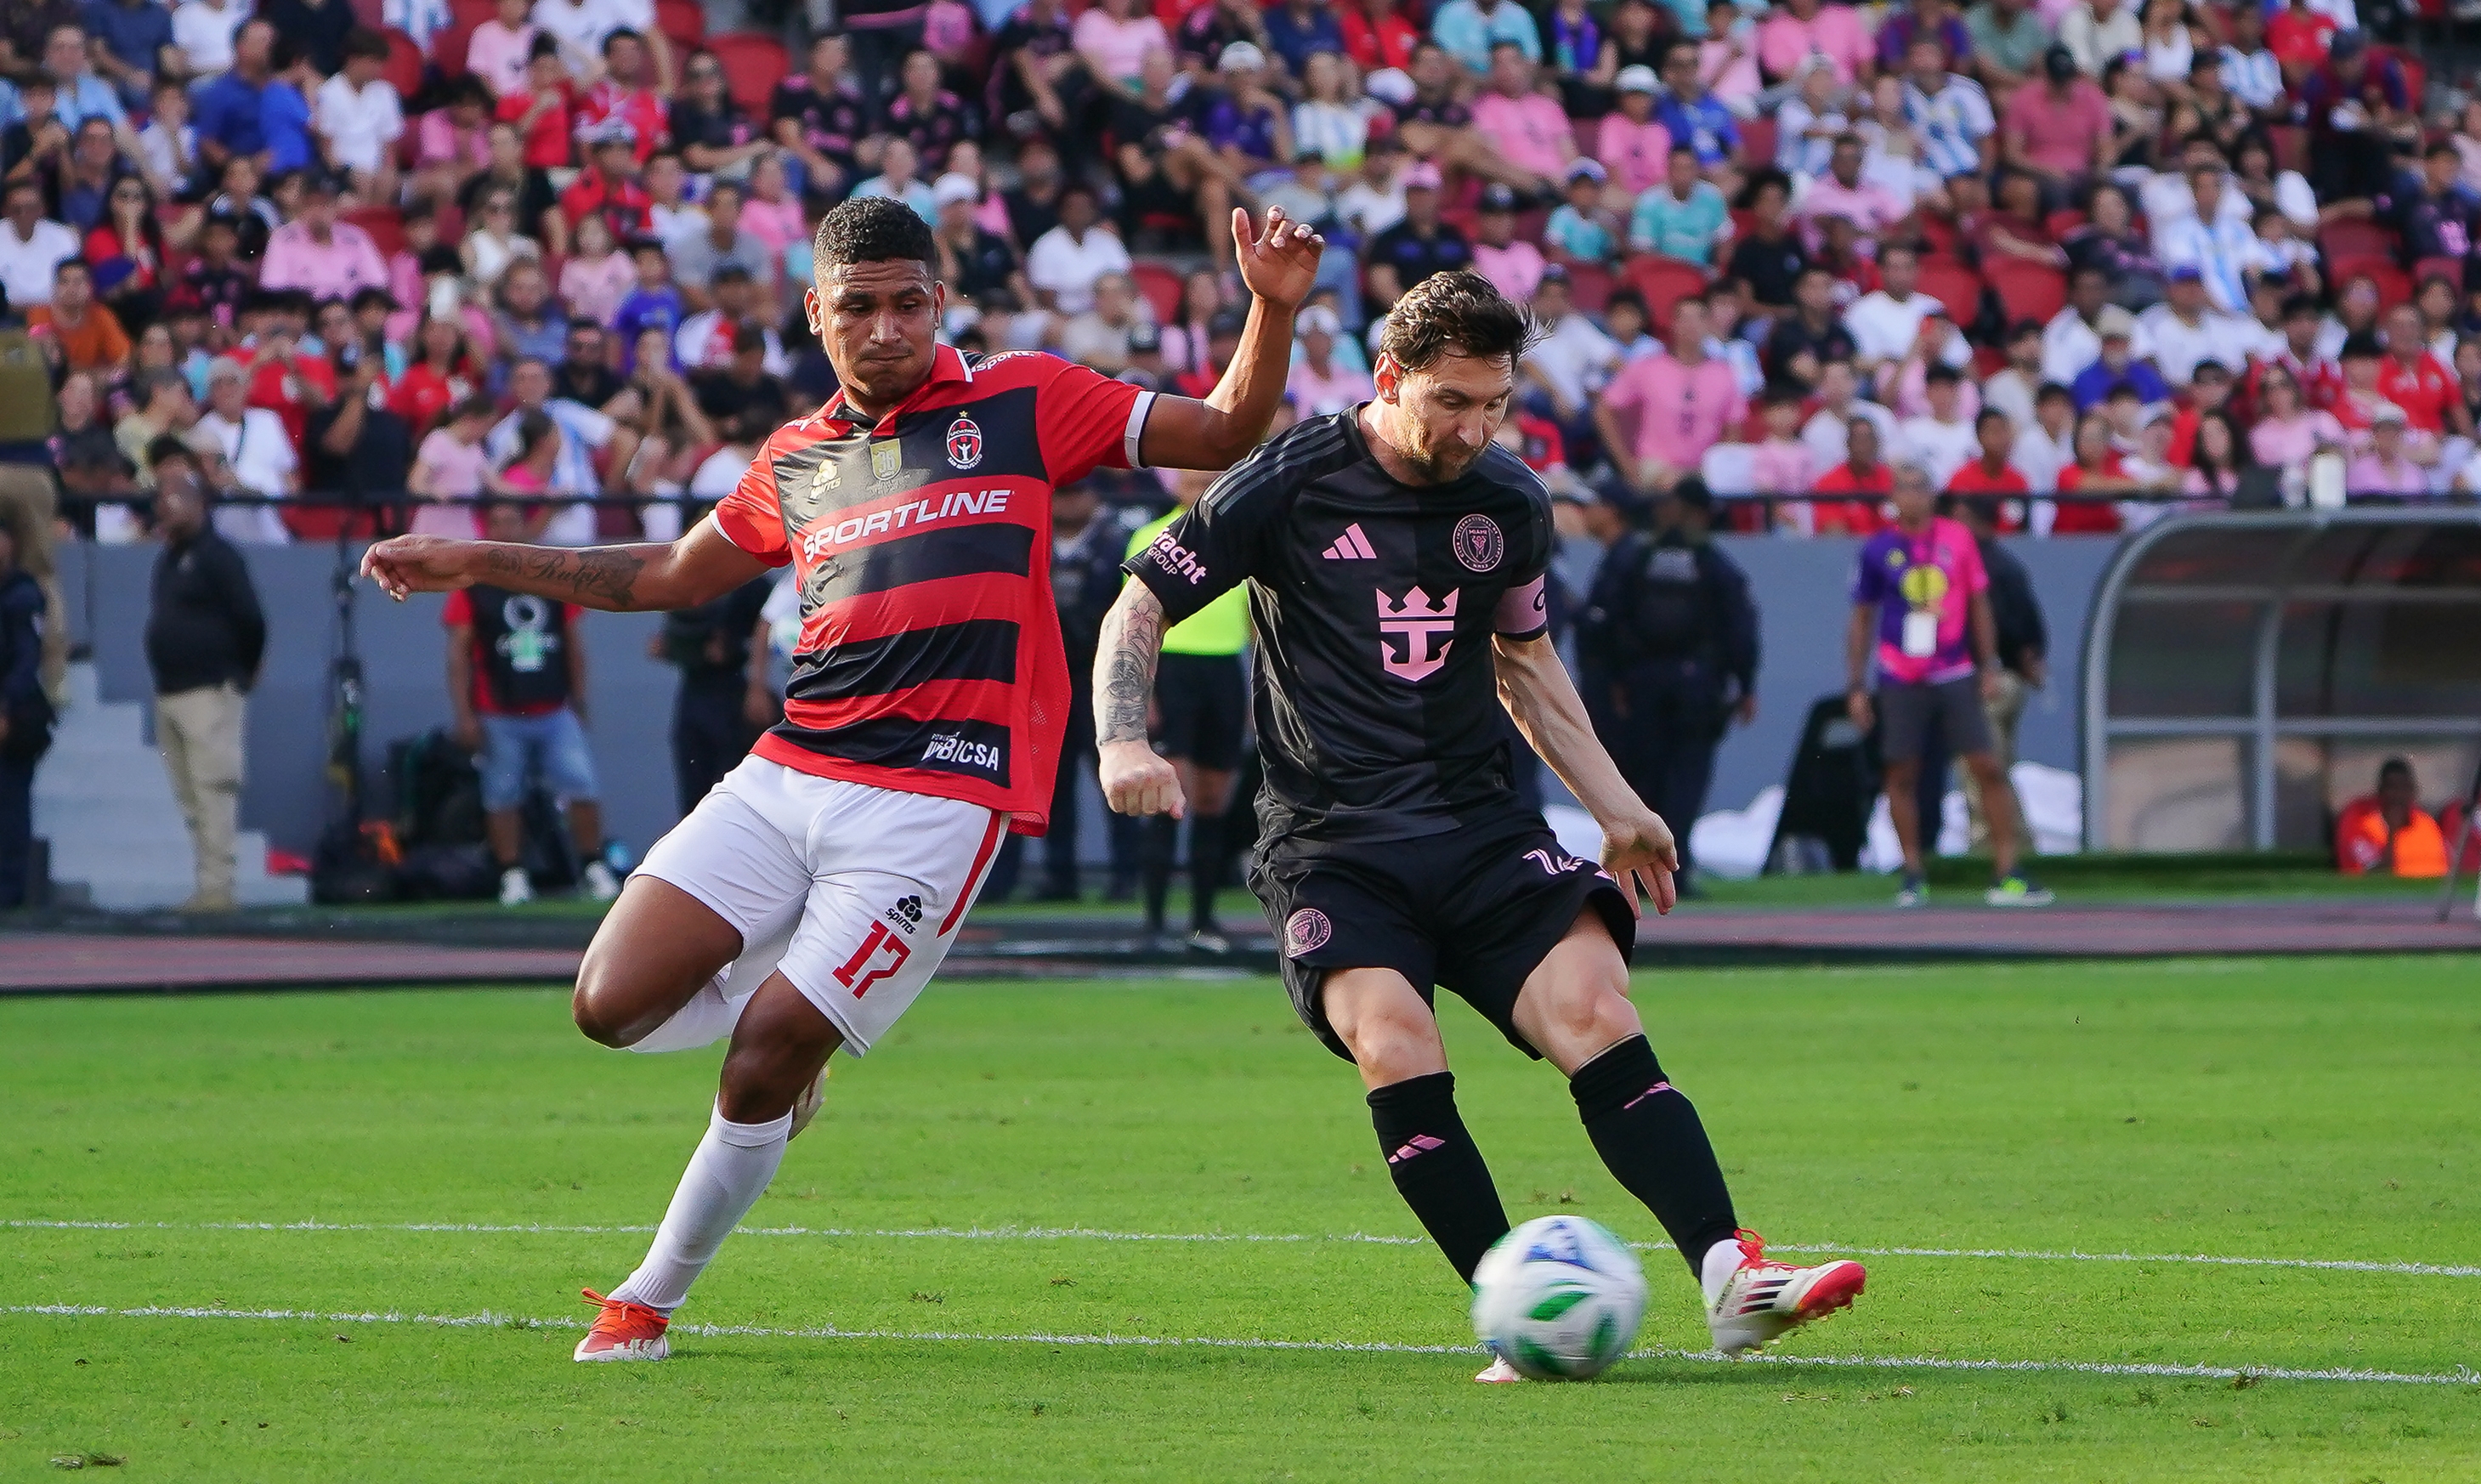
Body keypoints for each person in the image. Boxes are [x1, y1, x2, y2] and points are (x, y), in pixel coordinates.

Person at [357, 195, 1327, 1362]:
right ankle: (795, 1028)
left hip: (936, 799)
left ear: (939, 303)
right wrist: (474, 556)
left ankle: (646, 1301)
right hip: (790, 770)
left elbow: (1222, 431)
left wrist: (1269, 310)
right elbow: (668, 576)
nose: (886, 327)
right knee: (607, 1006)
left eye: (908, 303)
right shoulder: (795, 457)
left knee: (760, 1056)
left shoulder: (1024, 398)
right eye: (859, 307)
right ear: (816, 313)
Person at [1096, 269, 1867, 1378]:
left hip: (1477, 826)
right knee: (1394, 1040)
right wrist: (1123, 738)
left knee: (1596, 1011)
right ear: (1389, 377)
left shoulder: (1507, 500)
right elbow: (1141, 601)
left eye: (1494, 403)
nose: (1473, 428)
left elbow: (1524, 662)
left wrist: (1617, 807)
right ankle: (1513, 1305)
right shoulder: (1289, 479)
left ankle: (1728, 1277)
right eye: (1451, 401)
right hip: (1333, 844)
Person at [1845, 463, 2048, 909]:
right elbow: (1862, 616)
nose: (1913, 495)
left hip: (1954, 669)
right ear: (1892, 496)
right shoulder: (1878, 549)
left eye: (1921, 487)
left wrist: (1988, 664)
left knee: (1986, 765)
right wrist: (1856, 684)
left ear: (1933, 494)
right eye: (1904, 487)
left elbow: (1978, 601)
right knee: (1901, 771)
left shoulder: (1957, 539)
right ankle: (1913, 871)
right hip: (1900, 672)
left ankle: (2007, 869)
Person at [1576, 477, 1755, 895]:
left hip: (1643, 684)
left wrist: (1616, 681)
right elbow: (1740, 629)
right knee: (1687, 779)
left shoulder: (1638, 559)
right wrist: (1745, 685)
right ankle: (1677, 869)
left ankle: (1643, 871)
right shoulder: (1714, 563)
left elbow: (1610, 623)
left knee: (1644, 779)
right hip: (1699, 687)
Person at [442, 497, 624, 908]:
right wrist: (465, 714)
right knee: (502, 794)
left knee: (581, 785)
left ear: (525, 527)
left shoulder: (549, 575)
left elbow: (574, 642)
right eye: (497, 522)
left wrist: (579, 697)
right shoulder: (474, 585)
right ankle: (512, 873)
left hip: (553, 707)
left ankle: (593, 865)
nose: (505, 530)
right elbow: (458, 654)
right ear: (486, 529)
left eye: (512, 521)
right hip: (499, 710)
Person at [144, 453, 265, 912]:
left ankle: (219, 887)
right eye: (161, 498)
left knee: (213, 787)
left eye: (175, 497)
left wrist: (240, 673)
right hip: (170, 690)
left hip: (209, 689)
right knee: (190, 794)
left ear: (199, 504)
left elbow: (251, 619)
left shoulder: (219, 557)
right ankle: (206, 883)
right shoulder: (169, 559)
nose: (164, 506)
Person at [1947, 494, 2044, 850]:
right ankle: (2019, 845)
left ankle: (1990, 846)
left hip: (1989, 680)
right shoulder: (2008, 564)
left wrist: (1989, 666)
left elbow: (2003, 626)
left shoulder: (1982, 567)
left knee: (1979, 768)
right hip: (2009, 679)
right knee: (1996, 766)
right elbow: (2033, 629)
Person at [657, 572, 776, 817]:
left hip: (733, 693)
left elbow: (768, 631)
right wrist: (673, 646)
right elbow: (675, 633)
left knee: (732, 788)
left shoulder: (754, 585)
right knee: (694, 789)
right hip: (694, 693)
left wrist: (756, 686)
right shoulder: (693, 573)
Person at [0, 507, 48, 908]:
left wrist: (5, 706)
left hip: (12, 714)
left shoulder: (22, 594)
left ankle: (9, 890)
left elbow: (26, 658)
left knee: (10, 802)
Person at [2335, 757, 2449, 877]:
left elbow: (2442, 872)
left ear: (2413, 791)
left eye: (2404, 788)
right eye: (2392, 787)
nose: (2398, 795)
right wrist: (2392, 834)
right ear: (2381, 791)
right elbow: (2377, 878)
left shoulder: (2425, 823)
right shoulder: (2361, 824)